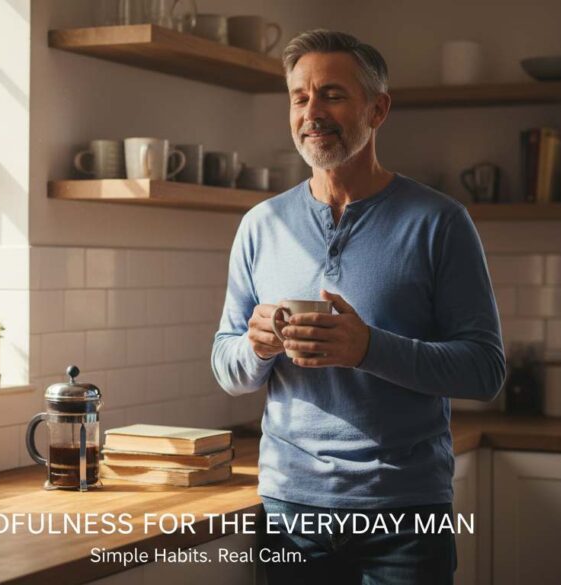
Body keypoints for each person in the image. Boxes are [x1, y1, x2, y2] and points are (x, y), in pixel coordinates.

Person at [210, 29, 506, 584]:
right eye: (300, 97)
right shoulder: (261, 225)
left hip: (408, 514)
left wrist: (368, 347)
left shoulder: (438, 222)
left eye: (332, 94)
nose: (312, 111)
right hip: (290, 511)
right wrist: (254, 345)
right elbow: (227, 367)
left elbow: (485, 370)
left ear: (379, 108)